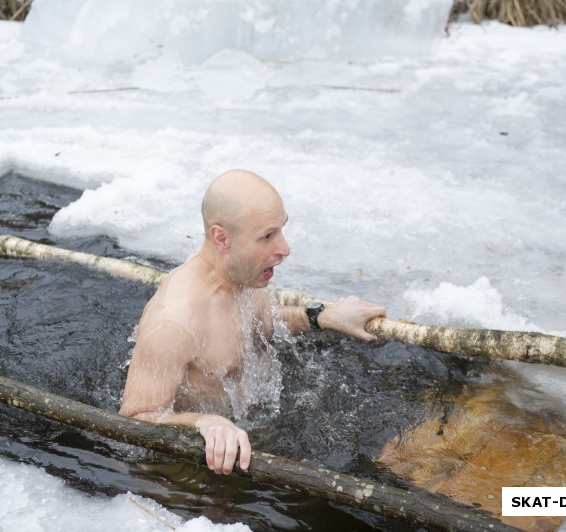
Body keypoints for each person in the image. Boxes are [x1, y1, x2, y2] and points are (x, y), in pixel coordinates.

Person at [119, 169, 386, 475]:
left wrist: (321, 316)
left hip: (251, 429)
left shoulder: (242, 272)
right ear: (221, 238)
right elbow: (130, 426)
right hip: (192, 466)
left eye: (281, 230)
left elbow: (263, 326)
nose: (284, 249)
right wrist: (204, 423)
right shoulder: (174, 323)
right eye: (268, 236)